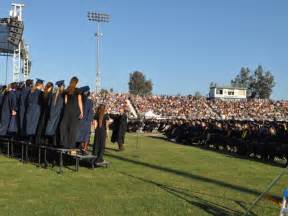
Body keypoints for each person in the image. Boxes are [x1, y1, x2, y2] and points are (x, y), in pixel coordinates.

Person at [60, 77, 83, 149]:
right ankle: (71, 145)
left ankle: (64, 143)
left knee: (65, 126)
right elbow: (79, 101)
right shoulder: (78, 91)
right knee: (73, 128)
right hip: (75, 110)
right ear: (76, 82)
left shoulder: (67, 90)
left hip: (67, 109)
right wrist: (82, 112)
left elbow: (66, 101)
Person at [45, 80, 65, 147]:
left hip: (52, 114)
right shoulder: (62, 96)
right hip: (58, 115)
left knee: (50, 128)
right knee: (56, 130)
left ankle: (48, 141)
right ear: (62, 86)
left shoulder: (53, 95)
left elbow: (48, 104)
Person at [77, 86, 94, 155]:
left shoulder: (80, 100)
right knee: (86, 136)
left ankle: (81, 147)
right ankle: (84, 148)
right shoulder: (89, 101)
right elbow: (90, 112)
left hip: (80, 120)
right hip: (86, 121)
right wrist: (90, 121)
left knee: (80, 135)